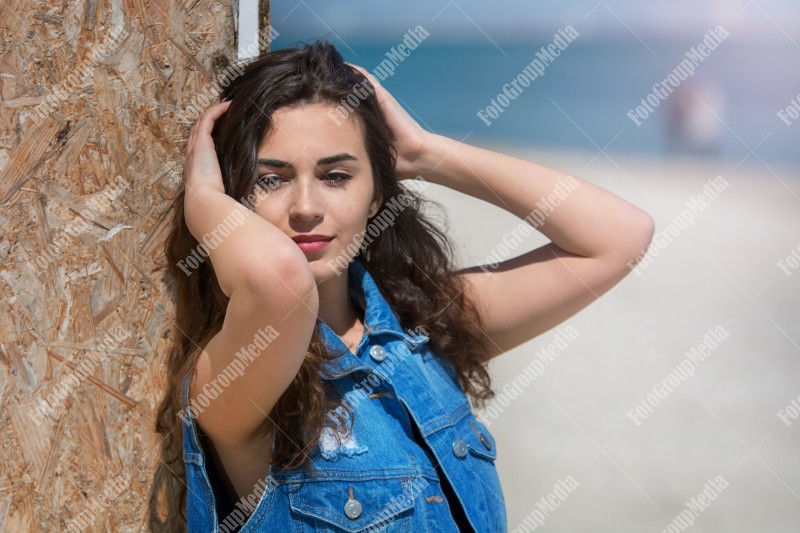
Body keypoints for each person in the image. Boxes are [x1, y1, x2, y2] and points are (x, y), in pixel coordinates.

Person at [150, 40, 654, 532]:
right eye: (270, 179)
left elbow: (619, 237)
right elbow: (280, 281)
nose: (305, 208)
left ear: (376, 196)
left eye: (336, 176)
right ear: (234, 200)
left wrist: (423, 152)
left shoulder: (426, 322)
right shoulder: (237, 372)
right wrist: (204, 202)